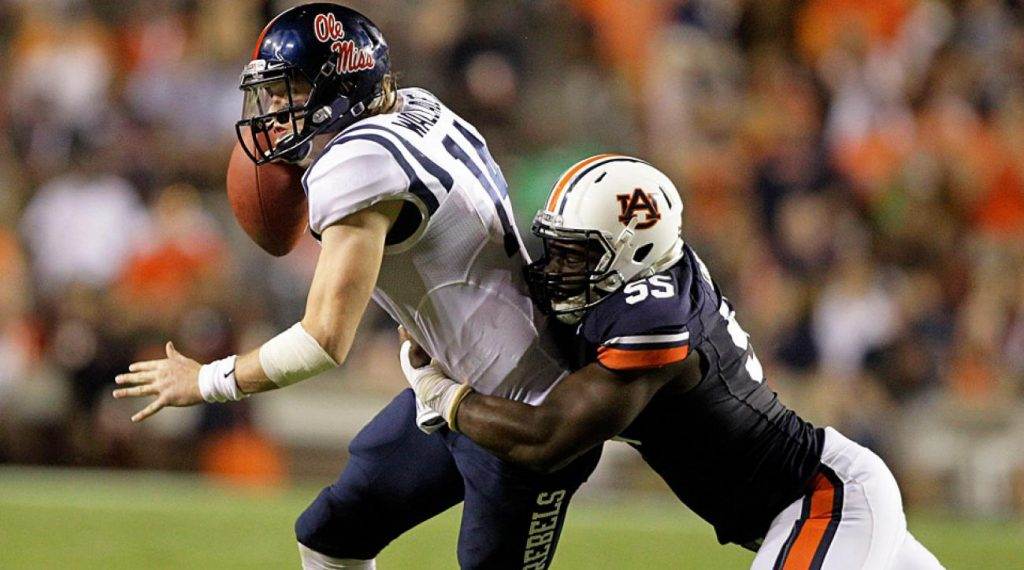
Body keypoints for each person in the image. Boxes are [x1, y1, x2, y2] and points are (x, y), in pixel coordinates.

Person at [113, 4, 601, 569]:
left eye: (287, 90)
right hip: (452, 384)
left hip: (526, 414)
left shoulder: (358, 162)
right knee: (331, 534)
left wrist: (208, 380)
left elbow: (323, 341)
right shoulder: (416, 105)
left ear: (340, 87)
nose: (272, 109)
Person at [401, 156, 945, 569]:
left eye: (580, 255)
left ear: (633, 253)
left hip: (824, 501)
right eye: (559, 248)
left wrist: (441, 393)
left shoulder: (654, 317)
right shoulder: (638, 282)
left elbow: (547, 439)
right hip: (812, 503)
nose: (559, 267)